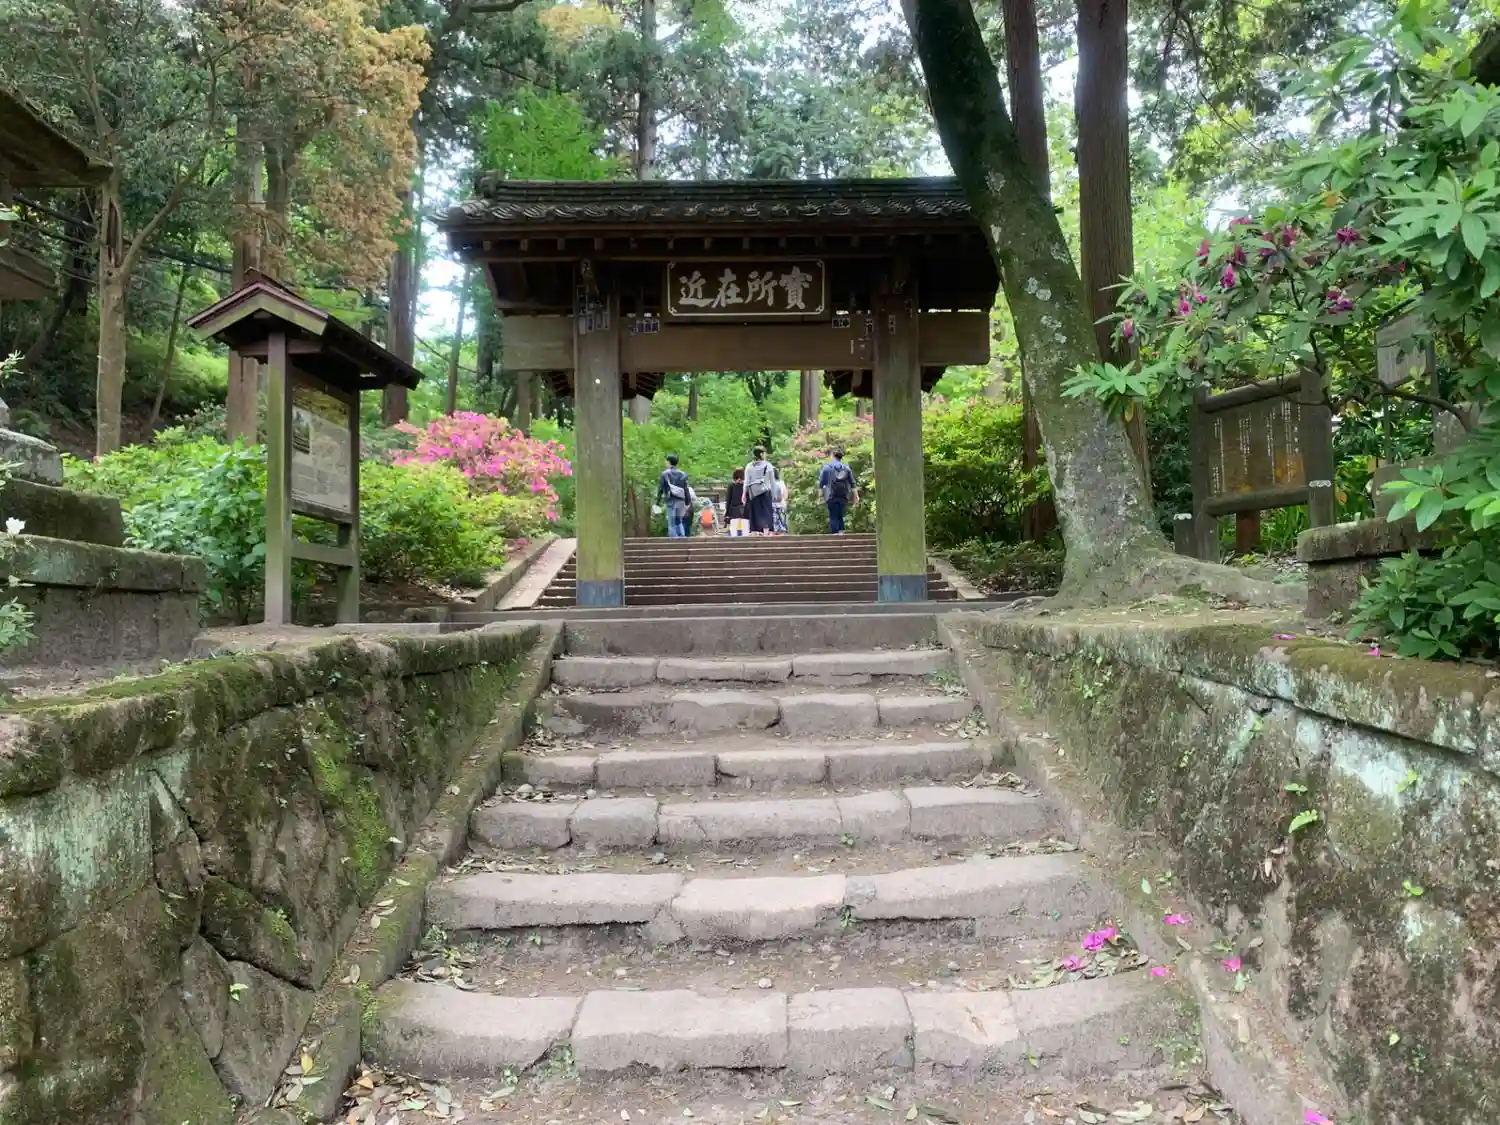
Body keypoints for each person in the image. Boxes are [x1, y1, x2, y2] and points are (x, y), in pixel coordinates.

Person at [817, 447, 859, 534]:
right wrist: (856, 496)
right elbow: (852, 483)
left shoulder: (826, 468)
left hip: (830, 495)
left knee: (833, 515)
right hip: (843, 495)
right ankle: (841, 533)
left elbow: (821, 483)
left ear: (832, 456)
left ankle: (835, 534)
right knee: (840, 515)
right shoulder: (846, 468)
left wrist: (820, 496)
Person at [742, 446, 777, 535]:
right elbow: (772, 481)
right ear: (761, 454)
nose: (766, 455)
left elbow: (746, 481)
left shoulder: (749, 466)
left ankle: (755, 532)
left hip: (754, 493)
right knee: (766, 512)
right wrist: (774, 494)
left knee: (755, 512)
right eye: (765, 453)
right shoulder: (768, 465)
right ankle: (766, 532)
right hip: (766, 492)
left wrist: (744, 494)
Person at [656, 454, 692, 538]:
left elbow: (661, 488)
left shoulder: (665, 474)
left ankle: (674, 540)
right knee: (679, 521)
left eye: (666, 461)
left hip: (671, 500)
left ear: (669, 462)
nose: (665, 462)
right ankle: (682, 538)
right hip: (681, 500)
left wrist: (658, 502)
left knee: (671, 522)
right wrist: (688, 502)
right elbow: (686, 489)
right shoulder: (682, 474)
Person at [771, 468, 789, 535]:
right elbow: (785, 494)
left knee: (774, 523)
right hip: (781, 504)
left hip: (772, 505)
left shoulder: (769, 483)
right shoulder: (781, 483)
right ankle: (783, 532)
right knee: (782, 521)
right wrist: (783, 501)